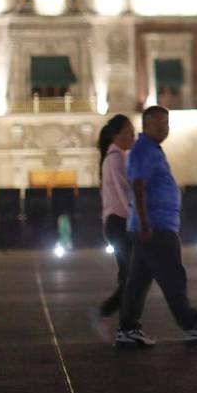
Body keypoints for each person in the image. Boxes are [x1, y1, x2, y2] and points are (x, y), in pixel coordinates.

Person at [116, 106, 197, 348]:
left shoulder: (151, 150)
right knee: (172, 276)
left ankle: (128, 329)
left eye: (167, 123)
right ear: (147, 125)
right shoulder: (144, 150)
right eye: (160, 124)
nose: (166, 128)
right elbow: (138, 186)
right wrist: (145, 223)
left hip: (150, 225)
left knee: (138, 280)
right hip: (155, 227)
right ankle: (192, 326)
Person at [88, 114, 135, 339]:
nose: (132, 136)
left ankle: (126, 325)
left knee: (129, 274)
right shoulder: (115, 158)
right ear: (116, 135)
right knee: (132, 275)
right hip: (120, 221)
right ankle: (106, 313)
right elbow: (123, 191)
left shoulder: (115, 157)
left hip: (116, 222)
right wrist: (137, 220)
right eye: (127, 131)